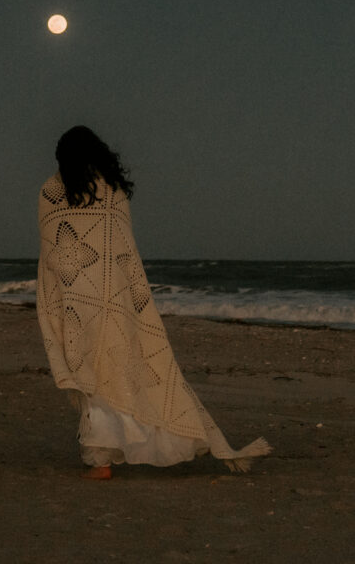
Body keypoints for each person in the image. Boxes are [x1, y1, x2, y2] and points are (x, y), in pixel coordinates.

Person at [37, 125, 270, 479]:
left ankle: (101, 460)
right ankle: (128, 450)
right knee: (119, 373)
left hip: (78, 303)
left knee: (96, 382)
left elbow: (55, 257)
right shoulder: (112, 190)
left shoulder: (53, 191)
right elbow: (124, 257)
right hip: (115, 301)